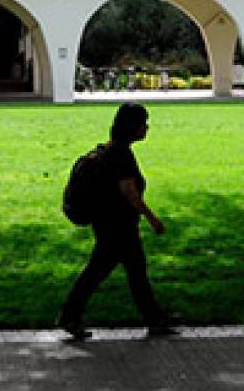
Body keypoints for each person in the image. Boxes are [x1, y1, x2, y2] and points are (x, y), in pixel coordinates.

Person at [57, 102, 175, 340]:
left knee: (129, 272)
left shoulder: (111, 150)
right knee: (105, 272)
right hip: (118, 226)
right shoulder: (121, 155)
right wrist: (153, 219)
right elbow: (129, 192)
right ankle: (70, 316)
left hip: (110, 223)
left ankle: (154, 318)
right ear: (133, 126)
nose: (147, 128)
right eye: (143, 123)